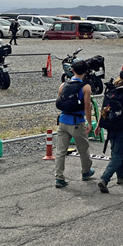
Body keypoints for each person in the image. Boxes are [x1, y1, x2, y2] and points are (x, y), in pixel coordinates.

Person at [53, 60, 95, 188]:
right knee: (83, 149)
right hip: (77, 121)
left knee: (61, 151)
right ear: (85, 72)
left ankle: (59, 177)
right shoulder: (86, 87)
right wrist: (89, 122)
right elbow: (87, 106)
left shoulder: (63, 85)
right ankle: (86, 171)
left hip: (63, 120)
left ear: (73, 70)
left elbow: (60, 101)